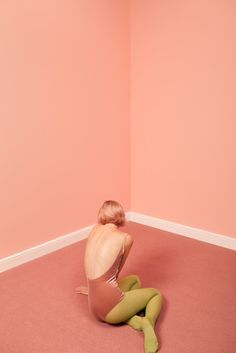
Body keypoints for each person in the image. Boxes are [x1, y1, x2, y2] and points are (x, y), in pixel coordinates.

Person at [76, 200, 163, 353]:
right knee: (155, 294)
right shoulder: (126, 238)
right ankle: (147, 323)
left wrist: (94, 291)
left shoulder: (94, 229)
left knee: (135, 279)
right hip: (110, 310)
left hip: (93, 307)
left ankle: (130, 317)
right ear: (121, 216)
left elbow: (96, 268)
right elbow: (116, 273)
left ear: (101, 214)